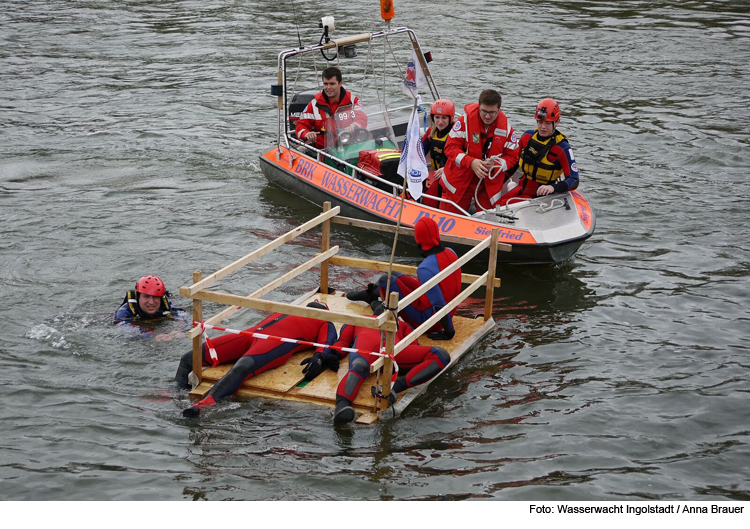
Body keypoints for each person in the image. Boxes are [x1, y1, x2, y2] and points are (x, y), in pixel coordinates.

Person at [178, 301, 338, 417]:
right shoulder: (287, 308)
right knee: (190, 357)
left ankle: (205, 405)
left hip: (274, 343)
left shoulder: (325, 321)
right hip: (250, 335)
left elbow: (328, 341)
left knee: (243, 366)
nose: (317, 303)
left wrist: (319, 357)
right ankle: (176, 395)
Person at [346, 216, 461, 340]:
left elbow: (439, 305)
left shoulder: (425, 269)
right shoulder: (451, 252)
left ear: (418, 238)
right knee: (392, 274)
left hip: (430, 321)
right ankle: (371, 294)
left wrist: (449, 332)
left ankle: (383, 307)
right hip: (446, 311)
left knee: (386, 279)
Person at [332, 311, 451, 424]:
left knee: (440, 355)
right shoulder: (359, 320)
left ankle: (393, 388)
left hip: (393, 351)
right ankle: (342, 407)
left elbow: (412, 345)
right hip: (368, 350)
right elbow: (342, 342)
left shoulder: (402, 325)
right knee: (359, 365)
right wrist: (331, 355)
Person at [439, 89, 519, 214]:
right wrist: (471, 162)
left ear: (499, 110)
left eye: (492, 112)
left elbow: (513, 157)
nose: (487, 116)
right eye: (484, 111)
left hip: (487, 183)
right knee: (449, 218)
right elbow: (450, 148)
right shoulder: (464, 122)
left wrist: (496, 165)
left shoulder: (507, 129)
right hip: (460, 179)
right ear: (479, 106)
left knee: (489, 221)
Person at [497, 98, 579, 206]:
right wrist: (498, 182)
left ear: (557, 122)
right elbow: (516, 162)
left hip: (544, 196)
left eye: (548, 123)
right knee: (497, 206)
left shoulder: (563, 148)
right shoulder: (527, 137)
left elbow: (574, 180)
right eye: (540, 122)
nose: (543, 127)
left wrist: (552, 187)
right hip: (522, 189)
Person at [295, 66, 367, 151]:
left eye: (332, 84)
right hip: (324, 151)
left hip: (349, 146)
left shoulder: (352, 100)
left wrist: (353, 126)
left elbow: (362, 119)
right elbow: (301, 125)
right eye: (326, 84)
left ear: (340, 83)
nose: (328, 87)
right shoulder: (314, 104)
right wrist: (307, 134)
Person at [114, 275, 187, 339]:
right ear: (138, 297)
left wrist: (180, 330)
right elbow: (127, 330)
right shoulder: (124, 312)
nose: (151, 302)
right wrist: (153, 335)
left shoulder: (165, 306)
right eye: (146, 296)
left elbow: (184, 316)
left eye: (155, 297)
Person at [421, 99, 455, 208]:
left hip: (452, 174)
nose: (440, 122)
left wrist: (447, 169)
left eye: (444, 118)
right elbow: (420, 151)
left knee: (430, 201)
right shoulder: (432, 132)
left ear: (450, 118)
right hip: (437, 174)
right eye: (437, 117)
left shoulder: (456, 134)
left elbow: (463, 158)